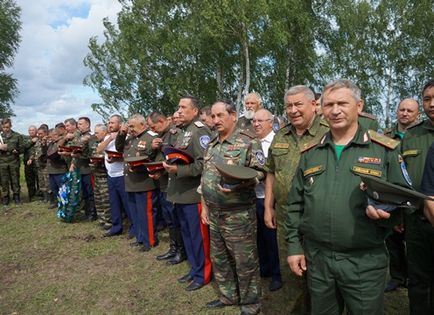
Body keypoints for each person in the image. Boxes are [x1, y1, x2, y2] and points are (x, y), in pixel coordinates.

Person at [285, 79, 412, 314]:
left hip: (363, 261)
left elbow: (406, 202)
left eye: (342, 103)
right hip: (318, 259)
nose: (335, 110)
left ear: (359, 106)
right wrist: (294, 246)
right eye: (329, 104)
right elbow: (295, 204)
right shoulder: (311, 154)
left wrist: (387, 214)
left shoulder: (384, 150)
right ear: (320, 109)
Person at [201, 100, 265, 314]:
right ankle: (228, 296)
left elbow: (261, 171)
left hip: (238, 214)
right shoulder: (212, 144)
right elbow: (205, 178)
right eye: (213, 116)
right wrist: (205, 206)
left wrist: (244, 182)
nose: (216, 120)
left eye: (220, 115)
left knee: (244, 261)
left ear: (233, 115)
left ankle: (250, 303)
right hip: (215, 212)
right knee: (220, 258)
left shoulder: (248, 141)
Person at [163, 96, 212, 291]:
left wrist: (179, 171)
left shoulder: (200, 131)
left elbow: (204, 164)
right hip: (181, 194)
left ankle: (204, 274)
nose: (179, 111)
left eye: (184, 107)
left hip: (194, 195)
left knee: (198, 237)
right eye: (178, 107)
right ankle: (195, 269)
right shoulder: (184, 132)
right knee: (188, 235)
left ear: (195, 111)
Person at [401, 79, 434, 315]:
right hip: (416, 220)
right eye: (427, 99)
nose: (432, 104)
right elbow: (399, 175)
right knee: (418, 281)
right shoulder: (411, 136)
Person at [384, 98, 419, 292]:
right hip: (392, 193)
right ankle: (397, 277)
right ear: (397, 111)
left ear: (417, 114)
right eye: (402, 110)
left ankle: (415, 277)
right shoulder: (386, 134)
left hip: (416, 194)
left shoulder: (420, 134)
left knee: (414, 240)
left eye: (410, 111)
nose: (405, 113)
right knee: (393, 239)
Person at [115, 114, 158, 251]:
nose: (130, 129)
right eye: (129, 126)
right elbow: (119, 148)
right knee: (135, 213)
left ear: (143, 124)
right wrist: (122, 133)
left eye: (132, 126)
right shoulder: (130, 138)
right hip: (131, 182)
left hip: (144, 182)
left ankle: (149, 240)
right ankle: (140, 237)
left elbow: (154, 159)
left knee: (146, 214)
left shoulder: (151, 137)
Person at [147, 111, 185, 264]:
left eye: (153, 126)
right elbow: (155, 157)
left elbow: (177, 158)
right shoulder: (161, 136)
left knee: (175, 218)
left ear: (162, 121)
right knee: (169, 218)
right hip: (163, 183)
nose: (153, 129)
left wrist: (160, 170)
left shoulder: (175, 134)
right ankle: (173, 248)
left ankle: (181, 251)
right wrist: (153, 147)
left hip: (173, 182)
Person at [252, 109, 282, 291]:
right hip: (254, 196)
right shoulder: (251, 142)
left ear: (271, 122)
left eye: (260, 121)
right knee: (259, 237)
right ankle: (265, 269)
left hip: (271, 199)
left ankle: (278, 274)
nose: (256, 124)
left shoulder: (278, 143)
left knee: (273, 239)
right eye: (254, 121)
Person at [97, 114, 131, 238]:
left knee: (127, 203)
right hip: (111, 175)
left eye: (113, 123)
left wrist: (118, 159)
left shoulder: (126, 136)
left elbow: (128, 155)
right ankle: (116, 227)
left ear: (119, 124)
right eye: (109, 123)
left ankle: (133, 227)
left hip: (122, 174)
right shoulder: (107, 136)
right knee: (114, 202)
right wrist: (109, 139)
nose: (110, 125)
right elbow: (99, 149)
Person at [69, 117, 97, 221]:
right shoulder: (78, 136)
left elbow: (92, 154)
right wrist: (73, 162)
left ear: (87, 125)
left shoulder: (91, 137)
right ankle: (87, 212)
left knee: (90, 192)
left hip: (88, 169)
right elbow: (74, 150)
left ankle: (92, 214)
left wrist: (79, 156)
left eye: (81, 124)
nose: (78, 126)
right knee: (83, 192)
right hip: (80, 168)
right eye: (78, 124)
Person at [91, 124, 111, 230]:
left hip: (104, 175)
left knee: (106, 199)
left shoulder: (108, 143)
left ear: (104, 132)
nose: (95, 135)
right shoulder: (96, 144)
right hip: (96, 175)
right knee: (98, 198)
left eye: (97, 133)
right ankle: (102, 219)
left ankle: (109, 220)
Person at [0, 118, 24, 205]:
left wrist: (16, 150)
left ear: (11, 126)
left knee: (15, 179)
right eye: (4, 127)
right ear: (2, 126)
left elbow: (22, 149)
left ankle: (16, 196)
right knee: (4, 180)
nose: (6, 129)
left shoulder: (17, 136)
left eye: (7, 127)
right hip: (2, 162)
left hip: (13, 161)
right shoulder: (0, 136)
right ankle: (6, 197)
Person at [46, 127, 67, 208]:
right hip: (52, 170)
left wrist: (62, 139)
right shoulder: (52, 143)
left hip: (59, 169)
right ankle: (56, 202)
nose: (50, 138)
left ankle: (64, 203)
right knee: (53, 188)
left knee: (62, 189)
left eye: (51, 136)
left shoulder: (61, 142)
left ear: (56, 135)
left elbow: (55, 152)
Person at [30, 126, 49, 203]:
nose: (39, 135)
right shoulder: (37, 141)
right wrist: (31, 158)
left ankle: (50, 198)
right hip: (38, 165)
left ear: (45, 133)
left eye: (41, 133)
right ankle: (45, 197)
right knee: (41, 181)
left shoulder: (49, 141)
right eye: (38, 134)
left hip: (46, 165)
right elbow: (35, 152)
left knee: (47, 182)